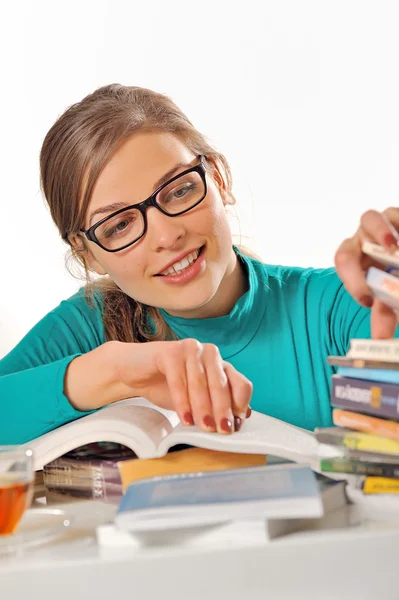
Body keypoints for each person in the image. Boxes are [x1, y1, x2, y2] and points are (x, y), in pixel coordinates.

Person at [0, 84, 398, 445]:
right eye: (119, 225)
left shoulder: (343, 306)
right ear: (88, 253)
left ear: (219, 180)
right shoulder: (87, 329)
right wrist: (113, 372)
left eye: (179, 190)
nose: (166, 236)